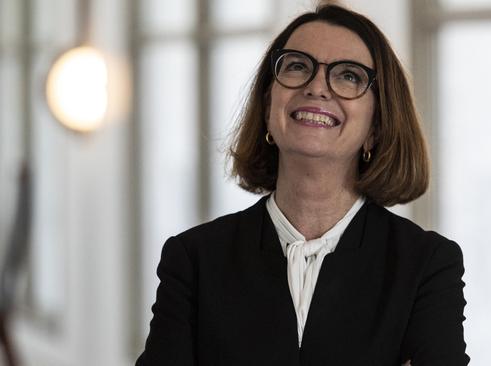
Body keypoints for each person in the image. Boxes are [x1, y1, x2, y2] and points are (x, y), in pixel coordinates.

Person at [136, 3, 469, 365]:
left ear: (376, 127)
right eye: (297, 66)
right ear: (267, 106)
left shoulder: (426, 265)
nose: (317, 87)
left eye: (348, 76)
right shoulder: (194, 260)